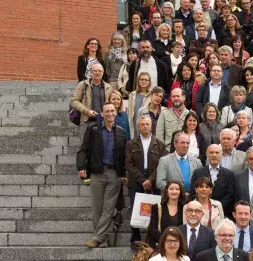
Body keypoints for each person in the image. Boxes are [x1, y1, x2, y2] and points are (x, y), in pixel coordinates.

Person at [77, 103, 127, 248]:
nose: (110, 113)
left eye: (112, 111)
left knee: (109, 208)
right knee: (97, 208)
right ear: (102, 113)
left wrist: (123, 173)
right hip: (97, 172)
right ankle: (102, 239)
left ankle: (97, 238)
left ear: (116, 112)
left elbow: (124, 156)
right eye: (107, 111)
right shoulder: (93, 129)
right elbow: (83, 149)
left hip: (114, 174)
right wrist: (81, 166)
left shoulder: (121, 132)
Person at [126, 116, 168, 244]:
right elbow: (128, 164)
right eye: (142, 124)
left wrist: (150, 180)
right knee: (135, 209)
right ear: (138, 126)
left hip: (153, 183)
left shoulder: (160, 144)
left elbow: (162, 164)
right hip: (136, 182)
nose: (145, 126)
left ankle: (152, 240)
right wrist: (142, 180)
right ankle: (135, 239)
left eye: (147, 124)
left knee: (154, 211)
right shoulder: (130, 144)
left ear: (151, 126)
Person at [190, 144, 235, 215]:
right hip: (201, 212)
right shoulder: (198, 173)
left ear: (221, 154)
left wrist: (217, 207)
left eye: (217, 152)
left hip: (222, 212)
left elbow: (230, 195)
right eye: (211, 152)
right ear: (206, 154)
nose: (214, 155)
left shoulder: (229, 174)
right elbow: (193, 193)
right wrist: (203, 207)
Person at [147, 181, 187, 249]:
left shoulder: (185, 208)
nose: (174, 191)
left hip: (180, 246)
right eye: (171, 189)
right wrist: (166, 241)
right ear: (166, 191)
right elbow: (153, 229)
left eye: (177, 189)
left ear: (180, 191)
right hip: (161, 245)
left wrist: (177, 242)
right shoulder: (157, 207)